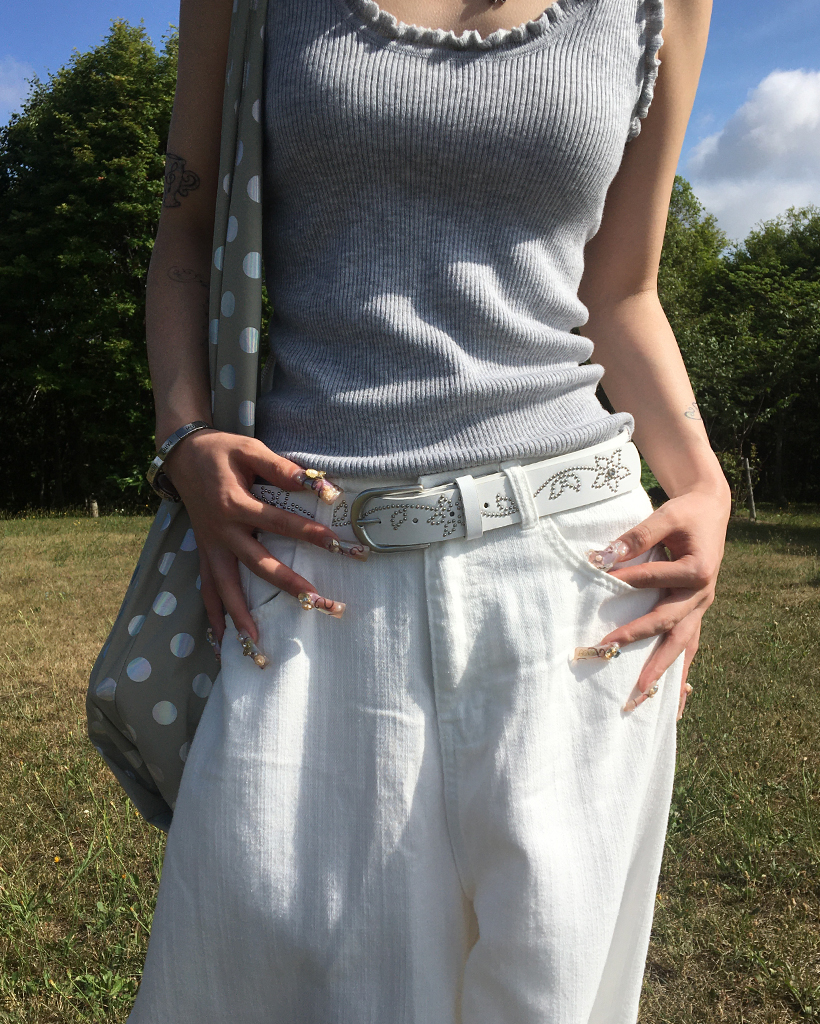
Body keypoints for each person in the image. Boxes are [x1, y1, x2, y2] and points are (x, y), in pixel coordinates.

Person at [129, 0, 728, 1020]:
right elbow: (184, 231)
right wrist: (183, 439)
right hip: (310, 550)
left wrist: (704, 482)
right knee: (251, 967)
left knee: (548, 990)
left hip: (585, 571)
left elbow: (622, 291)